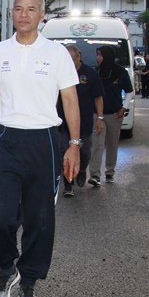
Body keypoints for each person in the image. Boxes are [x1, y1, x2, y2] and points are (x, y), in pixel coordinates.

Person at [0, 0, 81, 297]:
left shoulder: (57, 54)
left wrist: (74, 145)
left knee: (39, 219)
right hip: (8, 139)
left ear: (42, 16)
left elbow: (69, 100)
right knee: (1, 214)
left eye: (31, 10)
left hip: (45, 142)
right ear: (11, 14)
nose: (24, 15)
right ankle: (6, 266)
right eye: (18, 9)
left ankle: (29, 282)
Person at [60, 44, 104, 197]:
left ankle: (82, 168)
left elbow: (98, 97)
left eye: (72, 59)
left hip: (84, 123)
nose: (70, 63)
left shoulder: (90, 74)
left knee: (84, 152)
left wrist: (100, 117)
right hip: (63, 123)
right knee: (65, 152)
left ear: (79, 57)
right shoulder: (59, 72)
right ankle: (68, 184)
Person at [88, 45, 134, 187]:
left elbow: (129, 91)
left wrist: (124, 108)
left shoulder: (120, 72)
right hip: (97, 115)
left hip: (114, 114)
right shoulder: (95, 72)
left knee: (112, 144)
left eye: (100, 55)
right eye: (97, 54)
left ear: (107, 56)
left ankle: (110, 172)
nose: (97, 58)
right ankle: (95, 175)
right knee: (97, 144)